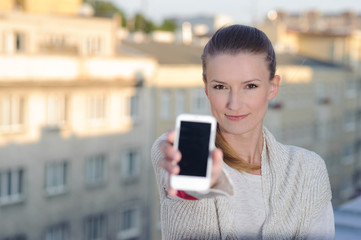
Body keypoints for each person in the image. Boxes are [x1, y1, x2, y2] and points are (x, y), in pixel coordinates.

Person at [151, 24, 334, 240]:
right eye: (220, 86)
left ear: (272, 87)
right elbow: (185, 202)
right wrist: (194, 189)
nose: (234, 104)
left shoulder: (308, 170)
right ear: (206, 89)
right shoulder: (176, 151)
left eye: (250, 86)